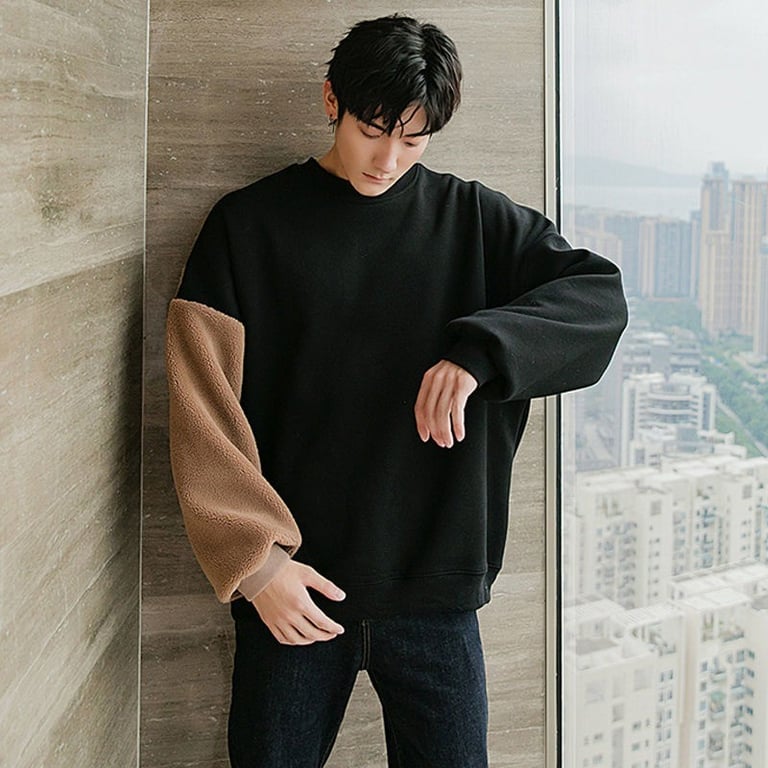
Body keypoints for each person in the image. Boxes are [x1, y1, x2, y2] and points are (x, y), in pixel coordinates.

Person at [166, 14, 627, 768]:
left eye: (414, 140)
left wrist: (480, 354)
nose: (387, 160)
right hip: (296, 589)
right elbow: (200, 405)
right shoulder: (248, 227)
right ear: (332, 100)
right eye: (372, 130)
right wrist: (256, 564)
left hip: (438, 596)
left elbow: (598, 299)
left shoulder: (474, 220)